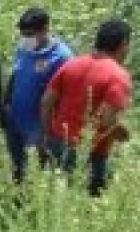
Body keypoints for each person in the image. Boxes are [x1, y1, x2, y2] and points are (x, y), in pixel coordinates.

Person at [40, 19, 133, 196]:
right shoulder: (118, 75)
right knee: (88, 203)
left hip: (58, 143)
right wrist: (125, 135)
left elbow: (46, 101)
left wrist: (47, 135)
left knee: (56, 198)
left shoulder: (72, 63)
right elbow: (108, 121)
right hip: (90, 153)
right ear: (123, 44)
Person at [4, 7, 73, 183]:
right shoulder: (24, 47)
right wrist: (6, 105)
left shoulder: (62, 57)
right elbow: (16, 75)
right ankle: (19, 196)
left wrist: (47, 131)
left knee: (41, 171)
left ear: (45, 29)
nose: (25, 38)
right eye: (23, 34)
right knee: (18, 167)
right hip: (15, 118)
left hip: (40, 126)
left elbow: (63, 97)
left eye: (30, 34)